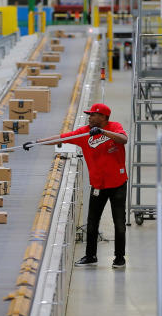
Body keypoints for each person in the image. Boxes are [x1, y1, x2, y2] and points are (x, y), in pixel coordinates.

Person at [25, 103, 129, 268]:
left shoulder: (114, 127)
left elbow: (124, 139)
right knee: (92, 222)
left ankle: (119, 257)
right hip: (98, 186)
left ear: (103, 117)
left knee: (119, 223)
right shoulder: (84, 133)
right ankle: (90, 256)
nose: (90, 117)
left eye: (93, 115)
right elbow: (60, 138)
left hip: (118, 185)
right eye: (89, 115)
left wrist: (102, 132)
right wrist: (36, 142)